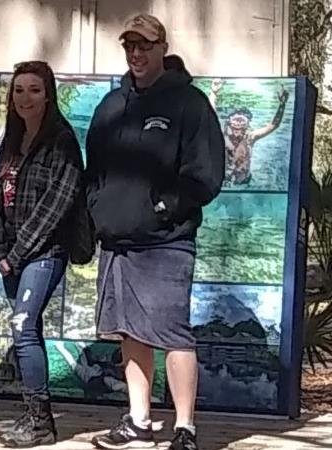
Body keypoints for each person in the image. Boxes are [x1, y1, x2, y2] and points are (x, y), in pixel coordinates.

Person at [85, 14, 224, 450]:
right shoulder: (111, 105)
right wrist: (98, 210)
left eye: (144, 45)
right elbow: (95, 172)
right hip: (118, 244)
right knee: (131, 334)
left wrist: (164, 207)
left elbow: (205, 174)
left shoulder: (189, 103)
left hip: (166, 243)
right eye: (129, 46)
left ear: (162, 47)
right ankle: (139, 421)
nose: (136, 54)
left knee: (174, 334)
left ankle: (185, 428)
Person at [0, 60, 84, 448]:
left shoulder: (61, 141)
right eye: (19, 90)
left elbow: (57, 206)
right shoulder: (11, 141)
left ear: (48, 95)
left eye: (35, 90)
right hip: (10, 255)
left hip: (44, 252)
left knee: (23, 327)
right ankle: (30, 415)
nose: (25, 98)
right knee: (28, 330)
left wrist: (19, 253)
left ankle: (42, 422)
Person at [208, 78, 289, 185]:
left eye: (241, 121)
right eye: (235, 120)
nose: (238, 124)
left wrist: (282, 105)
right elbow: (212, 114)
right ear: (229, 121)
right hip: (224, 182)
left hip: (244, 182)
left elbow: (273, 126)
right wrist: (213, 93)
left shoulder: (250, 137)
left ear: (247, 124)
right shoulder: (222, 136)